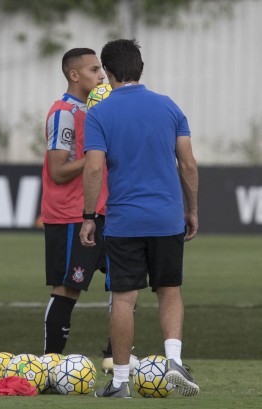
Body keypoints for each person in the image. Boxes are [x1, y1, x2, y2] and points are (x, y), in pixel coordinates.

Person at [81, 38, 199, 398]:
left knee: (124, 299)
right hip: (167, 217)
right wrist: (191, 209)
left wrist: (88, 216)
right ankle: (174, 359)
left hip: (125, 220)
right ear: (140, 69)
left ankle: (119, 382)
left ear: (109, 72)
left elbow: (94, 168)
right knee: (170, 290)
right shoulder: (168, 107)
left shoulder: (99, 113)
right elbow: (188, 164)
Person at [41, 48, 120, 363]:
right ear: (74, 75)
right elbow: (58, 170)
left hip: (103, 213)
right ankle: (50, 363)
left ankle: (117, 360)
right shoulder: (63, 113)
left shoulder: (95, 110)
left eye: (100, 69)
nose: (101, 75)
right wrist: (95, 155)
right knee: (67, 289)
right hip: (71, 216)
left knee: (123, 286)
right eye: (94, 69)